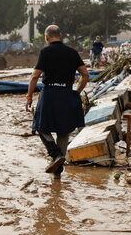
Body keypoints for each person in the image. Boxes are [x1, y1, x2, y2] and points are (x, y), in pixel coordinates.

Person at [25, 25, 89, 177]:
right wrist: (76, 92)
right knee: (63, 130)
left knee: (40, 126)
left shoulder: (46, 52)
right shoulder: (72, 52)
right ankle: (57, 174)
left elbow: (35, 76)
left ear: (46, 38)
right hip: (67, 93)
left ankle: (55, 154)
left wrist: (29, 96)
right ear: (61, 35)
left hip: (49, 94)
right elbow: (85, 75)